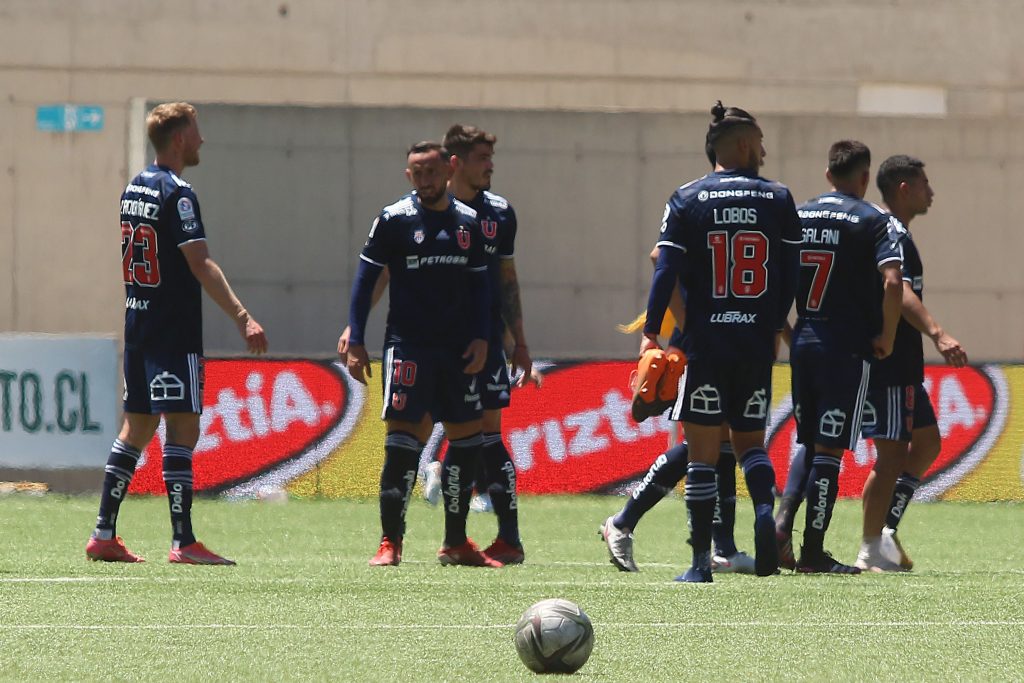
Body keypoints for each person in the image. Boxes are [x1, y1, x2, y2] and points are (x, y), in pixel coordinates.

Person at [339, 125, 540, 565]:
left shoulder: (480, 221)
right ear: (410, 175)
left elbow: (489, 286)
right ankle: (390, 541)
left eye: (431, 171)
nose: (425, 180)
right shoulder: (394, 219)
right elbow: (370, 276)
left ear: (446, 171)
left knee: (476, 439)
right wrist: (356, 332)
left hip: (465, 350)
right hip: (410, 347)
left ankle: (470, 539)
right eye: (417, 173)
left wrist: (496, 341)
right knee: (404, 441)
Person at [85, 102, 268, 565]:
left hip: (139, 324)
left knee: (137, 427)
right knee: (183, 428)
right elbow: (200, 263)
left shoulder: (133, 188)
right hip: (172, 330)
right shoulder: (178, 193)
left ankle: (103, 532)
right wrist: (243, 316)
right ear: (180, 138)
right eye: (197, 131)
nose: (202, 140)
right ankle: (183, 541)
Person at [640, 101, 801, 582]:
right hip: (753, 341)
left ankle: (697, 565)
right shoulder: (779, 198)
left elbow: (665, 267)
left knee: (703, 452)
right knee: (751, 444)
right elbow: (790, 274)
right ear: (744, 144)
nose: (765, 152)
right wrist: (775, 324)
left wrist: (652, 331)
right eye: (761, 143)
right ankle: (762, 514)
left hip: (705, 343)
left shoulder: (687, 198)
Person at [786, 140, 904, 574]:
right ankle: (812, 552)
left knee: (808, 444)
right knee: (829, 453)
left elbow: (776, 278)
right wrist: (887, 336)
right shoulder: (871, 218)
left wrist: (788, 331)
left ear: (827, 173)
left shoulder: (798, 213)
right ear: (864, 176)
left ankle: (782, 532)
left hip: (804, 340)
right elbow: (893, 282)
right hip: (845, 347)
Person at [854, 155, 968, 571]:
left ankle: (884, 530)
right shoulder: (890, 231)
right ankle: (869, 546)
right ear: (904, 188)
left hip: (904, 362)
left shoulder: (900, 232)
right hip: (887, 361)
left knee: (927, 443)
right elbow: (898, 292)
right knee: (891, 455)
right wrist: (938, 332)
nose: (931, 192)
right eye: (924, 183)